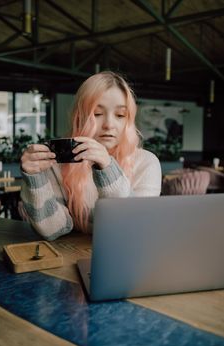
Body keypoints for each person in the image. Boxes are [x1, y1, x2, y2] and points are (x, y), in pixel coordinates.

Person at [20, 71, 162, 240]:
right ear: (79, 117)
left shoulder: (147, 163)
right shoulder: (58, 162)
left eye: (120, 115)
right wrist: (35, 177)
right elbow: (52, 229)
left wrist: (107, 168)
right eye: (97, 113)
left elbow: (134, 226)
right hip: (68, 257)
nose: (109, 124)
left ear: (128, 120)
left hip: (128, 255)